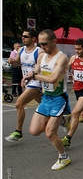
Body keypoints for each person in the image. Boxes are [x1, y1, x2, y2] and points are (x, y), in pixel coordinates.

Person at [21, 29, 71, 170]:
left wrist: (34, 76)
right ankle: (62, 120)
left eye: (44, 44)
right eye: (40, 43)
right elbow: (36, 70)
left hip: (59, 98)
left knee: (50, 133)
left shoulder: (61, 58)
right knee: (34, 130)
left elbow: (53, 78)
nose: (41, 46)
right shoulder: (41, 56)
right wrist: (29, 74)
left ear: (54, 42)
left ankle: (63, 157)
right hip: (46, 98)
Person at [5, 29, 44, 143]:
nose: (23, 38)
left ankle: (18, 132)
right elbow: (17, 63)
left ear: (33, 39)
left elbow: (43, 67)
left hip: (36, 82)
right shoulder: (21, 50)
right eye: (22, 36)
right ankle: (62, 117)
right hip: (27, 82)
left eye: (26, 36)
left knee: (19, 104)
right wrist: (12, 61)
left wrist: (34, 74)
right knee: (45, 104)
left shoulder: (39, 52)